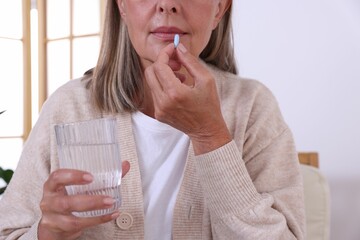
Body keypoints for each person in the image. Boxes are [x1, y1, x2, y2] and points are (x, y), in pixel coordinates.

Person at [0, 0, 306, 239]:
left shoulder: (252, 107)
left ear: (219, 9)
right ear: (121, 5)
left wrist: (209, 135)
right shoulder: (69, 106)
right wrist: (46, 234)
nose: (167, 5)